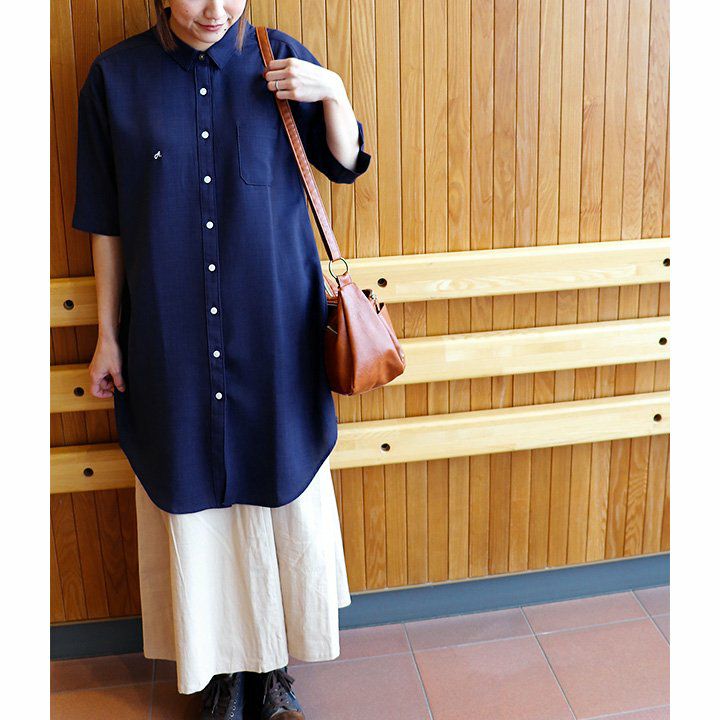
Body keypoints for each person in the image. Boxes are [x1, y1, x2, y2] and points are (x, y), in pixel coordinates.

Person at [72, 1, 372, 717]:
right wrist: (108, 334)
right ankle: (220, 676)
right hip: (170, 336)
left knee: (281, 491)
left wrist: (333, 91)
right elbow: (106, 223)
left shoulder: (279, 59)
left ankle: (274, 673)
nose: (216, 9)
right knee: (192, 503)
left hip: (276, 336)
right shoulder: (115, 78)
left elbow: (344, 164)